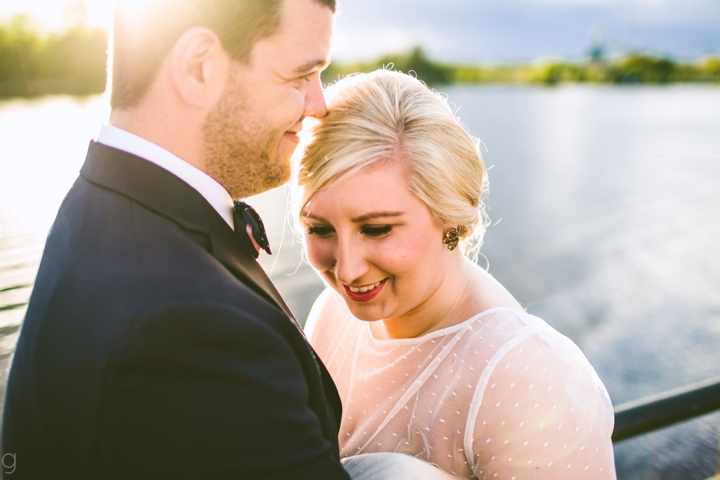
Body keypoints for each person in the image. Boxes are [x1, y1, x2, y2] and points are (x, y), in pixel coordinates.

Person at [1, 1, 354, 478]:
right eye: (300, 76)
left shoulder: (104, 200)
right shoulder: (192, 328)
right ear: (198, 67)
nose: (319, 105)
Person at [295, 70, 617, 479]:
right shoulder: (332, 314)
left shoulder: (525, 376)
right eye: (319, 229)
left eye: (377, 229)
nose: (346, 269)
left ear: (450, 219)